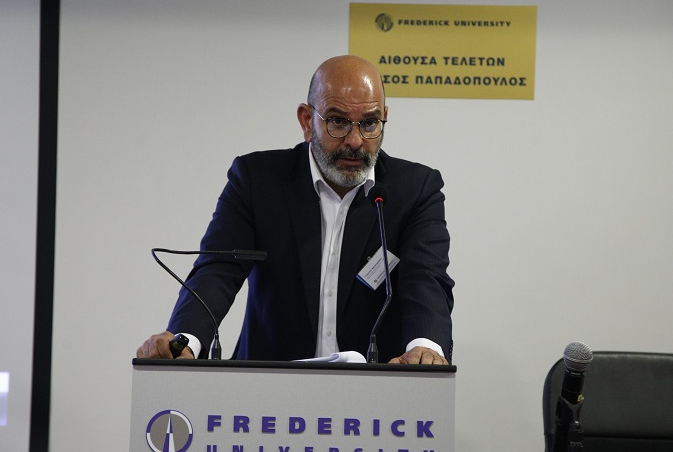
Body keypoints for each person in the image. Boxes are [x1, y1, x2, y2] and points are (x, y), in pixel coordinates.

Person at [137, 55, 453, 364]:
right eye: (338, 121)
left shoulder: (415, 190)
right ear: (306, 120)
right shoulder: (257, 180)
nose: (355, 141)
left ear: (384, 118)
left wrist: (425, 347)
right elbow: (218, 270)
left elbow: (425, 279)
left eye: (369, 123)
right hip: (268, 387)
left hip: (373, 390)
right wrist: (184, 340)